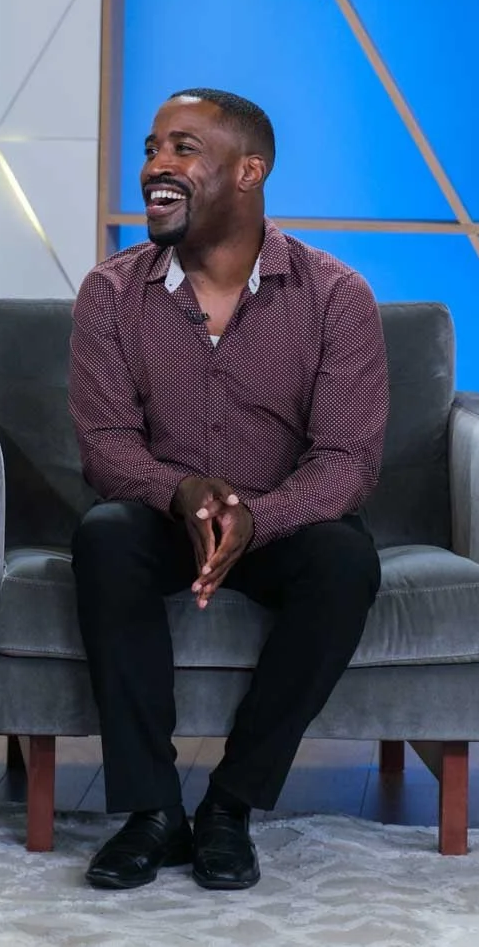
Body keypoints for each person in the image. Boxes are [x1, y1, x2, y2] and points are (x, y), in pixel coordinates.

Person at [67, 88, 389, 892]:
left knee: (346, 560)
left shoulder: (336, 296)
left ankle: (229, 807)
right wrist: (180, 491)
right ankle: (151, 812)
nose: (156, 166)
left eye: (183, 149)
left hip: (280, 526)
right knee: (104, 535)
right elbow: (106, 447)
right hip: (165, 517)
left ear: (250, 172)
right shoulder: (110, 293)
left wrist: (260, 516)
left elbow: (347, 458)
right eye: (151, 148)